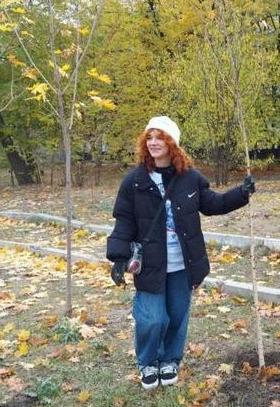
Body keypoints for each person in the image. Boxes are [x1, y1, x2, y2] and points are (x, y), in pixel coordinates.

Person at [107, 116, 255, 390]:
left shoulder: (190, 178)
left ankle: (170, 360)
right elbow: (124, 220)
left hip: (184, 264)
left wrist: (241, 194)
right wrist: (117, 258)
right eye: (149, 137)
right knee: (152, 318)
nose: (153, 143)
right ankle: (148, 361)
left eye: (160, 137)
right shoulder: (134, 181)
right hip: (151, 264)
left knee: (176, 316)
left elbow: (214, 204)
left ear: (172, 142)